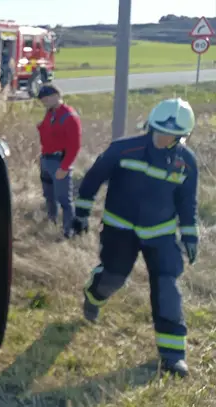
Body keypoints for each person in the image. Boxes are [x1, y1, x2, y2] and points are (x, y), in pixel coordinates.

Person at [72, 97, 199, 378]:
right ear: (150, 126)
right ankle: (94, 295)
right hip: (120, 230)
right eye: (159, 131)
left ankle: (172, 355)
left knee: (167, 287)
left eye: (170, 135)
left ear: (182, 137)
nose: (163, 138)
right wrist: (81, 213)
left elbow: (187, 202)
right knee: (114, 277)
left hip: (162, 235)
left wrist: (190, 236)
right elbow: (93, 179)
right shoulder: (123, 149)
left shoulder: (186, 163)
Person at [36, 84, 82, 238]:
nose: (45, 102)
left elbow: (74, 146)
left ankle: (68, 231)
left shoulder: (69, 116)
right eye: (43, 100)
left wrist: (65, 167)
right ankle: (52, 222)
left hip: (59, 161)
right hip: (46, 159)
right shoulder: (50, 113)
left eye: (47, 99)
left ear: (57, 95)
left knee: (64, 199)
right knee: (49, 196)